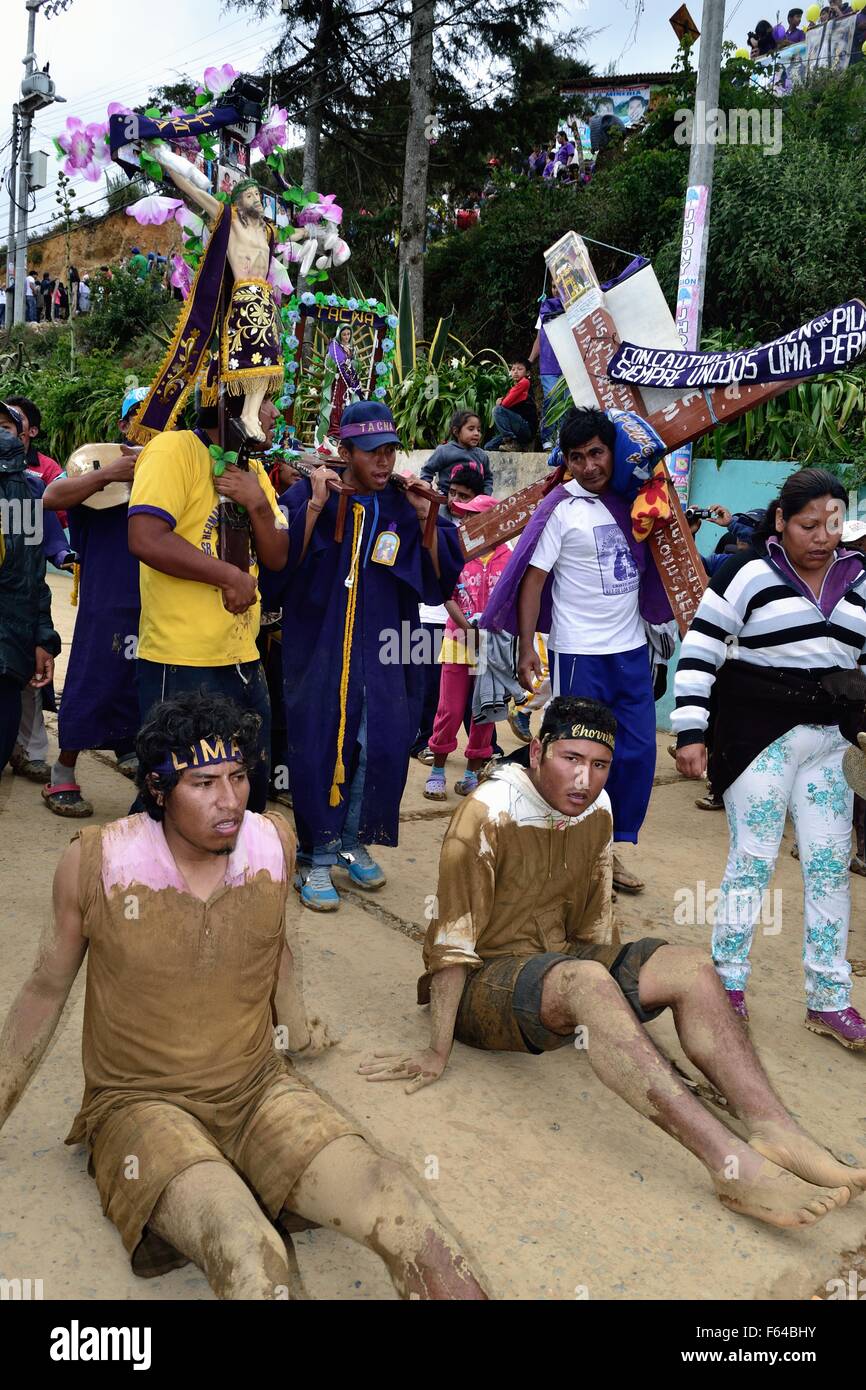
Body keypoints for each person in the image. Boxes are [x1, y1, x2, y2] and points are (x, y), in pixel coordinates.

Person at [0, 690, 487, 1301]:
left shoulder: (271, 842)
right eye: (202, 783)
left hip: (257, 1086)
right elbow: (45, 990)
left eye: (237, 776)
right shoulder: (98, 861)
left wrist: (298, 1031)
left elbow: (272, 946)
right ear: (157, 789)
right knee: (247, 1247)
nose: (229, 800)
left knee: (400, 1203)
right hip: (140, 1101)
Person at [362, 694, 866, 1227]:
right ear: (536, 752)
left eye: (599, 765)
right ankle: (729, 1165)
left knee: (692, 967)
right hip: (485, 988)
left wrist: (612, 1024)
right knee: (587, 981)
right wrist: (436, 1049)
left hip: (560, 969)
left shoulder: (596, 810)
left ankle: (776, 1130)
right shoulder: (486, 814)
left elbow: (597, 925)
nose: (585, 779)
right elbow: (451, 944)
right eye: (570, 759)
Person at [673, 468, 866, 1049]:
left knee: (831, 866)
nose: (821, 537)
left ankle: (829, 998)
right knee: (753, 860)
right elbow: (702, 647)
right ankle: (726, 985)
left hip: (831, 745)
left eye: (832, 525)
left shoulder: (860, 580)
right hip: (758, 739)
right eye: (808, 524)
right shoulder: (748, 572)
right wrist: (689, 732)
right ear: (781, 521)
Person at [261, 401, 463, 912]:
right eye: (371, 453)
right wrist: (311, 508)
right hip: (323, 645)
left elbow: (440, 582)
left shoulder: (404, 502)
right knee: (323, 745)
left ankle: (352, 841)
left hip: (389, 650)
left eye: (390, 452)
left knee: (383, 746)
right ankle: (315, 856)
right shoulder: (311, 492)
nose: (383, 463)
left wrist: (424, 519)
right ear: (345, 451)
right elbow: (277, 566)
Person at [490, 406, 672, 895]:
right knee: (577, 758)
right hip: (578, 655)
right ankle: (575, 856)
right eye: (576, 457)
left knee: (635, 754)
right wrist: (527, 645)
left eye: (596, 452)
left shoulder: (636, 500)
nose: (589, 465)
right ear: (565, 462)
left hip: (632, 651)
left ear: (611, 450)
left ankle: (607, 848)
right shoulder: (562, 507)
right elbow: (532, 579)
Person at [127, 395, 289, 814]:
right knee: (174, 795)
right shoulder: (173, 449)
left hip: (243, 657)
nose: (275, 412)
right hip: (180, 659)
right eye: (265, 400)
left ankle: (233, 879)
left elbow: (276, 557)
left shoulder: (253, 472)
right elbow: (145, 538)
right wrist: (229, 576)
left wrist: (255, 502)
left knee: (247, 791)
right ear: (234, 406)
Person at [40, 389, 146, 816]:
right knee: (93, 679)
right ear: (122, 425)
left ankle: (130, 750)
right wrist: (111, 474)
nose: (144, 425)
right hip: (108, 598)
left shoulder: (178, 466)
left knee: (142, 685)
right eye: (135, 417)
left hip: (160, 599)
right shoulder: (95, 464)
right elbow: (51, 499)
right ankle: (62, 774)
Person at [424, 496, 511, 801]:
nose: (466, 522)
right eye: (465, 516)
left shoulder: (509, 557)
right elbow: (448, 595)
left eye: (473, 516)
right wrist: (467, 628)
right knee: (449, 709)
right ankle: (437, 772)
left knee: (484, 712)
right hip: (457, 643)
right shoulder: (458, 553)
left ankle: (472, 775)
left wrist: (488, 632)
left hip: (493, 647)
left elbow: (513, 599)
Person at [0, 399, 60, 777]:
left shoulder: (25, 494)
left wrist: (43, 638)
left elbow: (33, 573)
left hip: (10, 647)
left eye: (6, 427)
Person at [413, 462, 488, 763]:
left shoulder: (485, 536)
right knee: (433, 689)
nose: (457, 503)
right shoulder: (438, 525)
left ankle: (483, 749)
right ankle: (425, 742)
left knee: (477, 694)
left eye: (464, 496)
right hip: (433, 619)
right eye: (452, 494)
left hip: (466, 626)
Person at [420, 410, 493, 494]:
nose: (476, 433)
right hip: (447, 498)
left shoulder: (482, 455)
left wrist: (486, 494)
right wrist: (426, 485)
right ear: (456, 431)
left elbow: (488, 478)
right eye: (471, 429)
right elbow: (428, 470)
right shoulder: (444, 451)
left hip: (473, 502)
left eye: (479, 430)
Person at [529, 295, 565, 450]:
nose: (555, 289)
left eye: (558, 286)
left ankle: (562, 438)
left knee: (566, 402)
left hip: (569, 365)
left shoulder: (574, 305)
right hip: (549, 365)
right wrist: (529, 361)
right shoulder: (545, 309)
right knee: (551, 399)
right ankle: (547, 438)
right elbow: (539, 338)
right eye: (553, 286)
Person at [484, 359, 538, 452]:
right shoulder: (516, 386)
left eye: (520, 369)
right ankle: (519, 445)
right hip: (517, 431)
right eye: (513, 369)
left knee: (497, 410)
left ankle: (511, 443)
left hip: (526, 429)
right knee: (488, 446)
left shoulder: (525, 382)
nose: (516, 372)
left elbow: (505, 403)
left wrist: (499, 402)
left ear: (527, 372)